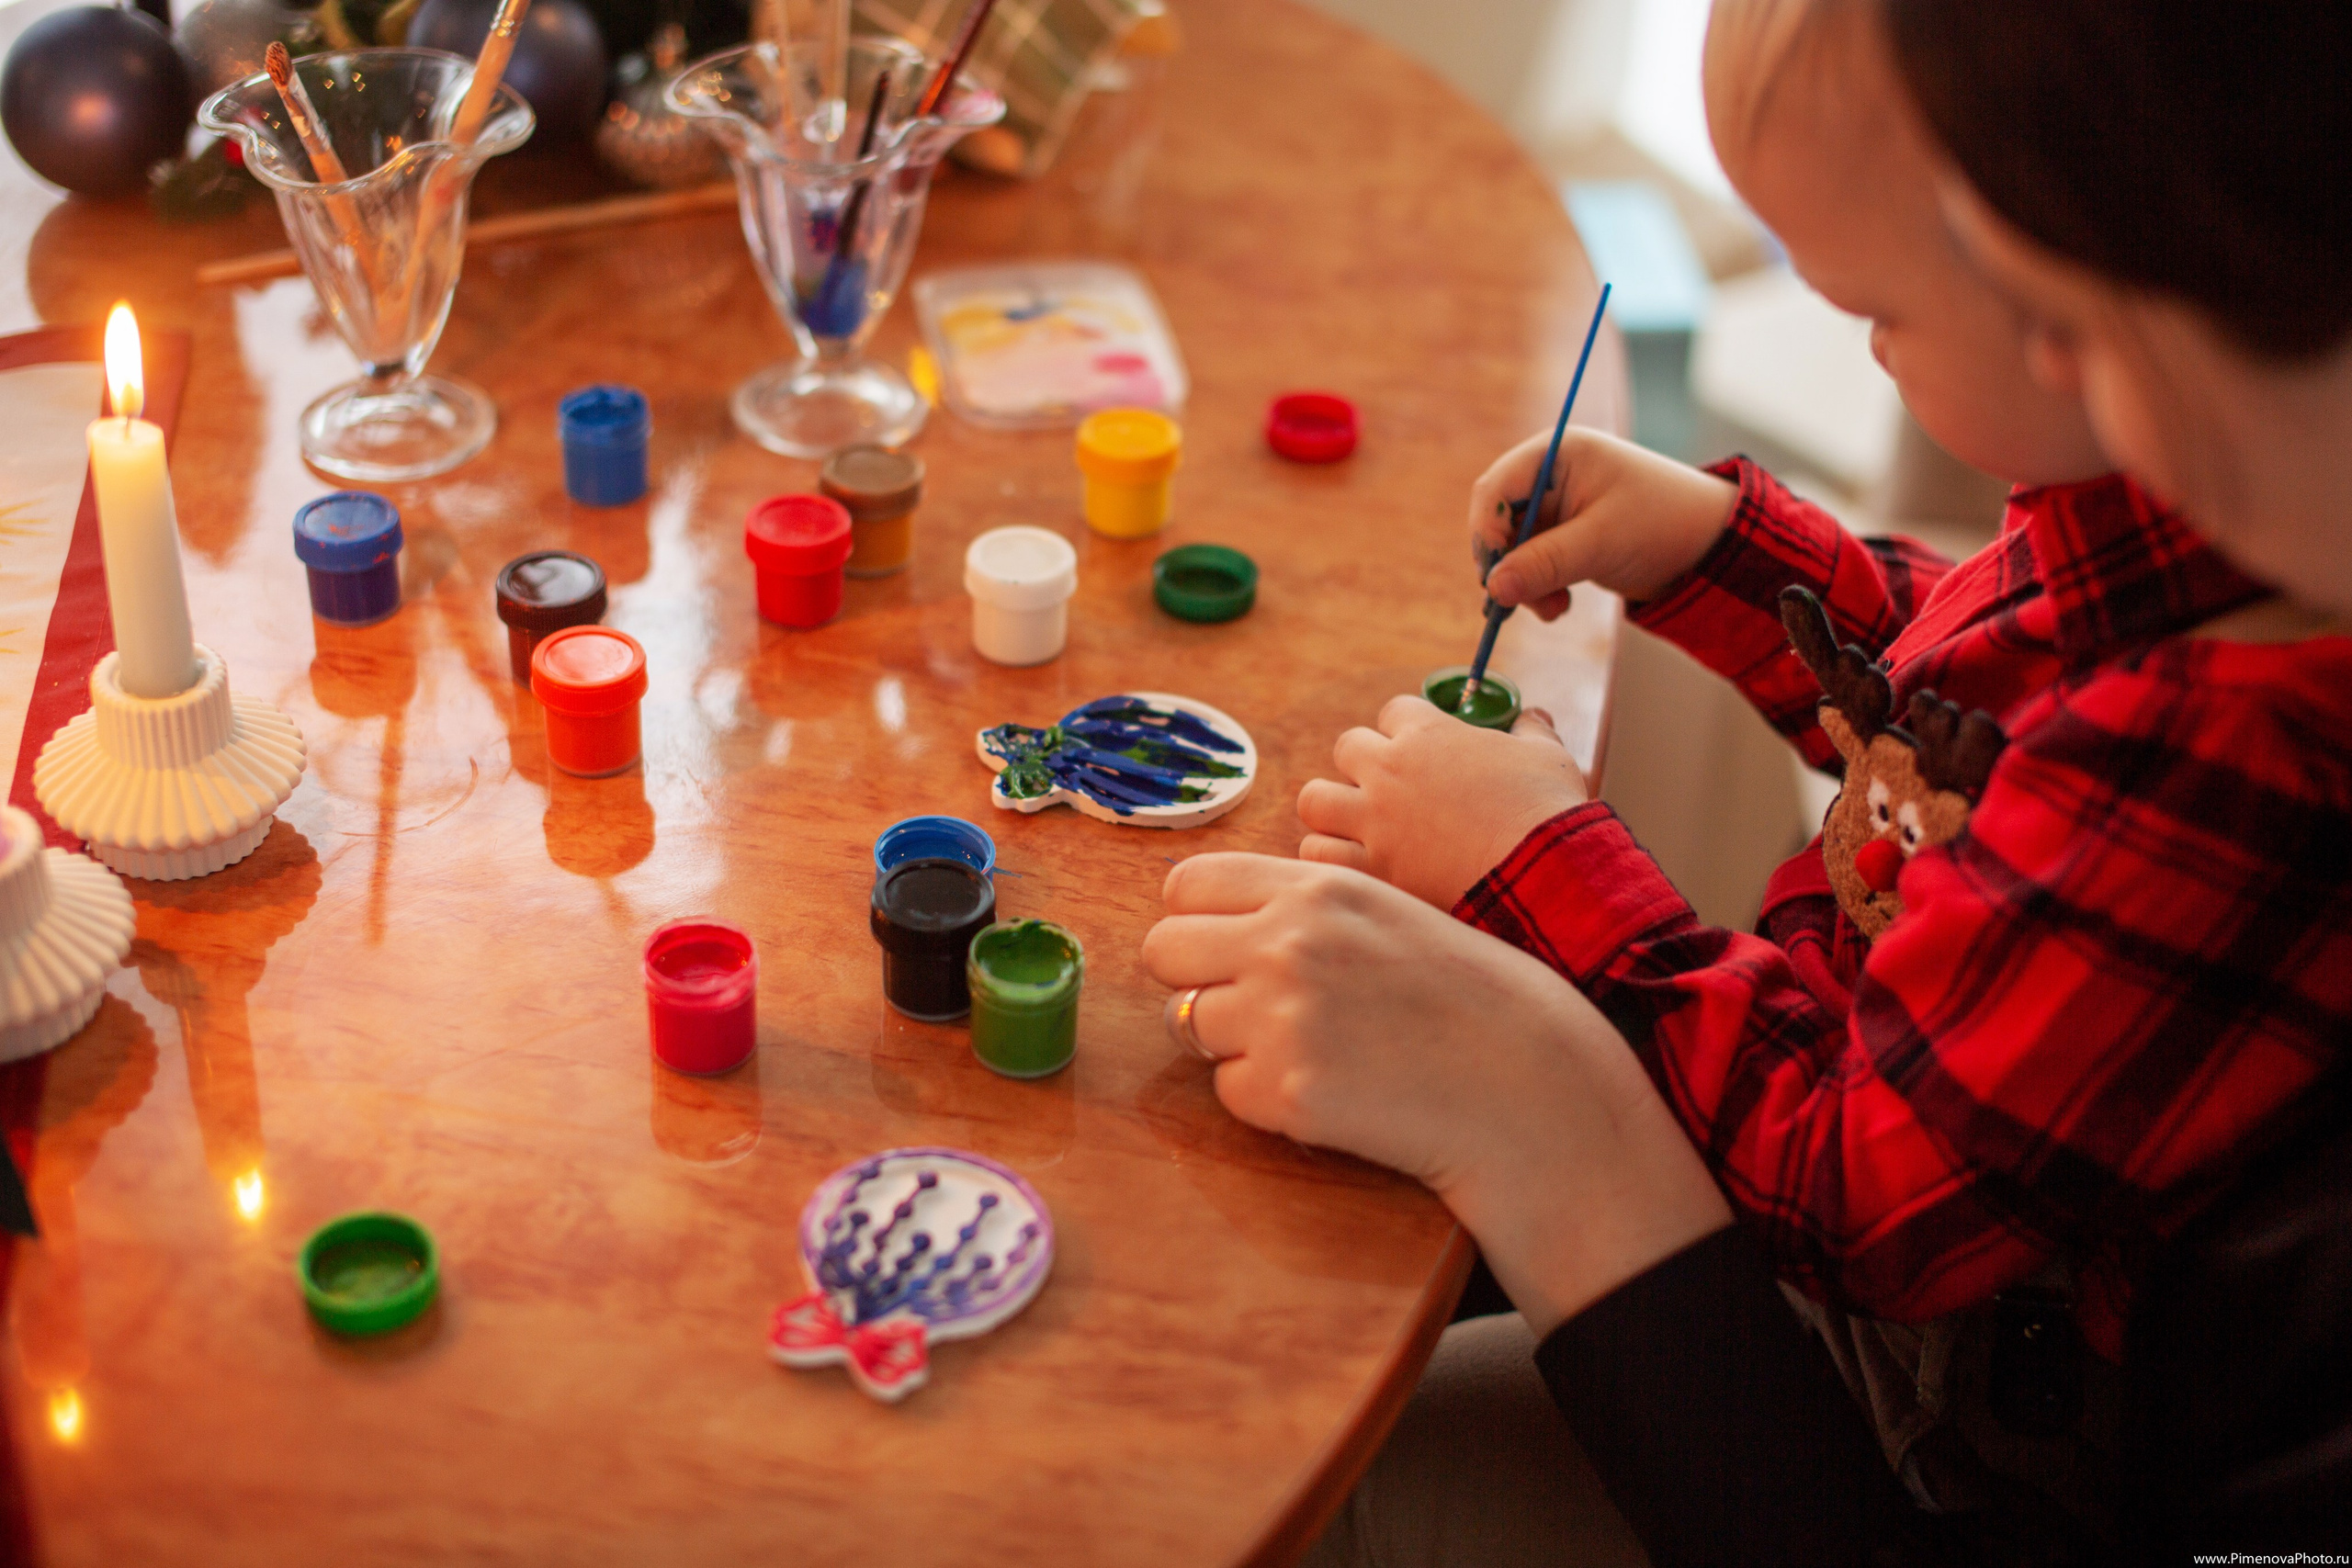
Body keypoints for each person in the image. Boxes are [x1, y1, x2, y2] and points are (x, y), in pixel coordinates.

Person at [1140, 0, 2352, 1562]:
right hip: (1845, 1193)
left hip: (1933, 1399)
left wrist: (1553, 861)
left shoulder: (2226, 753)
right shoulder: (2197, 515)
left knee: (1316, 1454)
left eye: (1885, 314)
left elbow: (1854, 1186)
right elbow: (1966, 727)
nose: (2060, 352)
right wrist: (1729, 556)